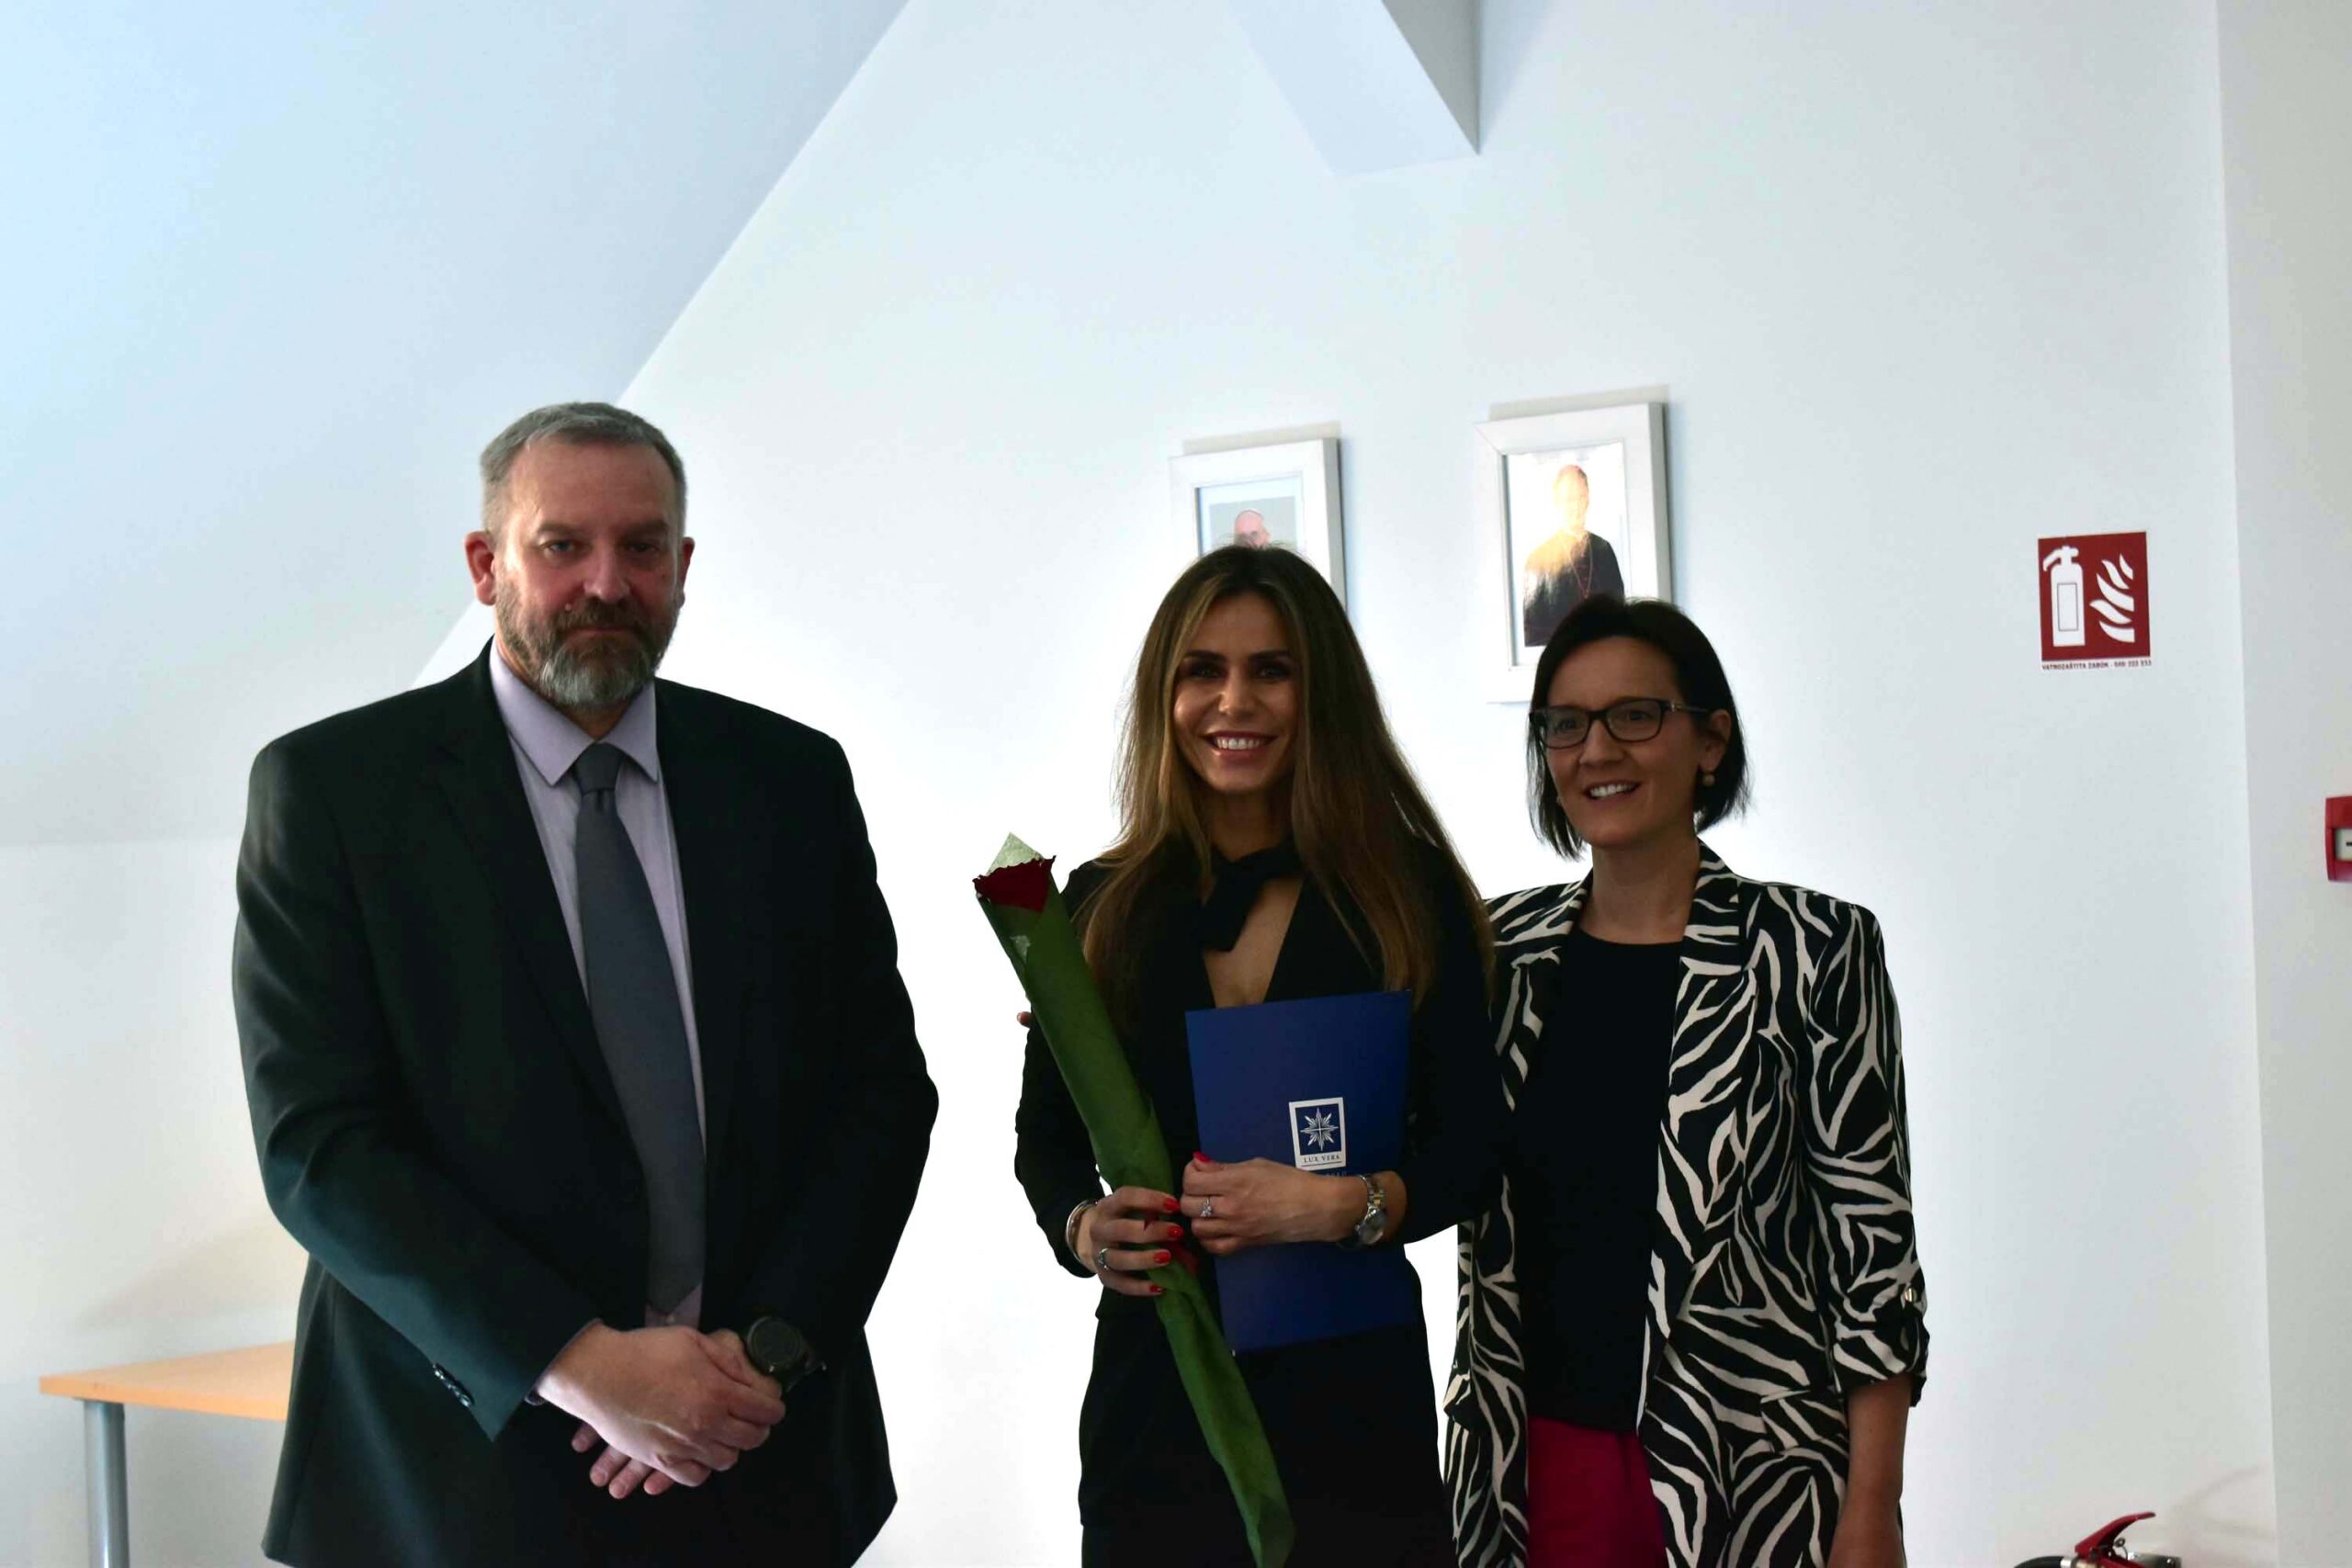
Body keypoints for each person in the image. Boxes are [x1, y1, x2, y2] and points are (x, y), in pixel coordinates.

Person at [232, 401, 937, 1566]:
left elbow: (878, 1095)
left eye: (642, 546)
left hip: (758, 1458)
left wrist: (762, 1357)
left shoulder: (790, 781)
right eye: (562, 545)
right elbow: (319, 1145)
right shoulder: (335, 794)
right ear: (486, 565)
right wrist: (577, 1364)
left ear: (683, 565)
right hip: (452, 1482)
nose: (607, 583)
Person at [1012, 545, 1500, 1566]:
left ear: (1322, 694)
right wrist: (1085, 1229)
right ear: (1165, 695)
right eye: (1203, 670)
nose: (1234, 701)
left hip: (1355, 1413)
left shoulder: (1404, 894)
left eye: (1272, 670)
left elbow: (1470, 1149)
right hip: (1158, 1403)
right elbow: (1043, 1141)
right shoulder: (1097, 905)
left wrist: (1342, 1206)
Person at [1446, 594, 1927, 1568]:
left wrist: (1872, 1506)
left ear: (1711, 740)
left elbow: (1872, 1252)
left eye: (1634, 715)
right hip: (1536, 1466)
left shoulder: (1813, 948)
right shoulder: (1497, 952)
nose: (1596, 750)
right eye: (1566, 724)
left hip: (1758, 1472)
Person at [1520, 463, 1625, 649]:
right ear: (1557, 502)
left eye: (1580, 497)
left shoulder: (1604, 550)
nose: (1576, 506)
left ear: (1588, 499)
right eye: (1569, 499)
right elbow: (1533, 635)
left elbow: (1620, 613)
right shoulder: (1538, 560)